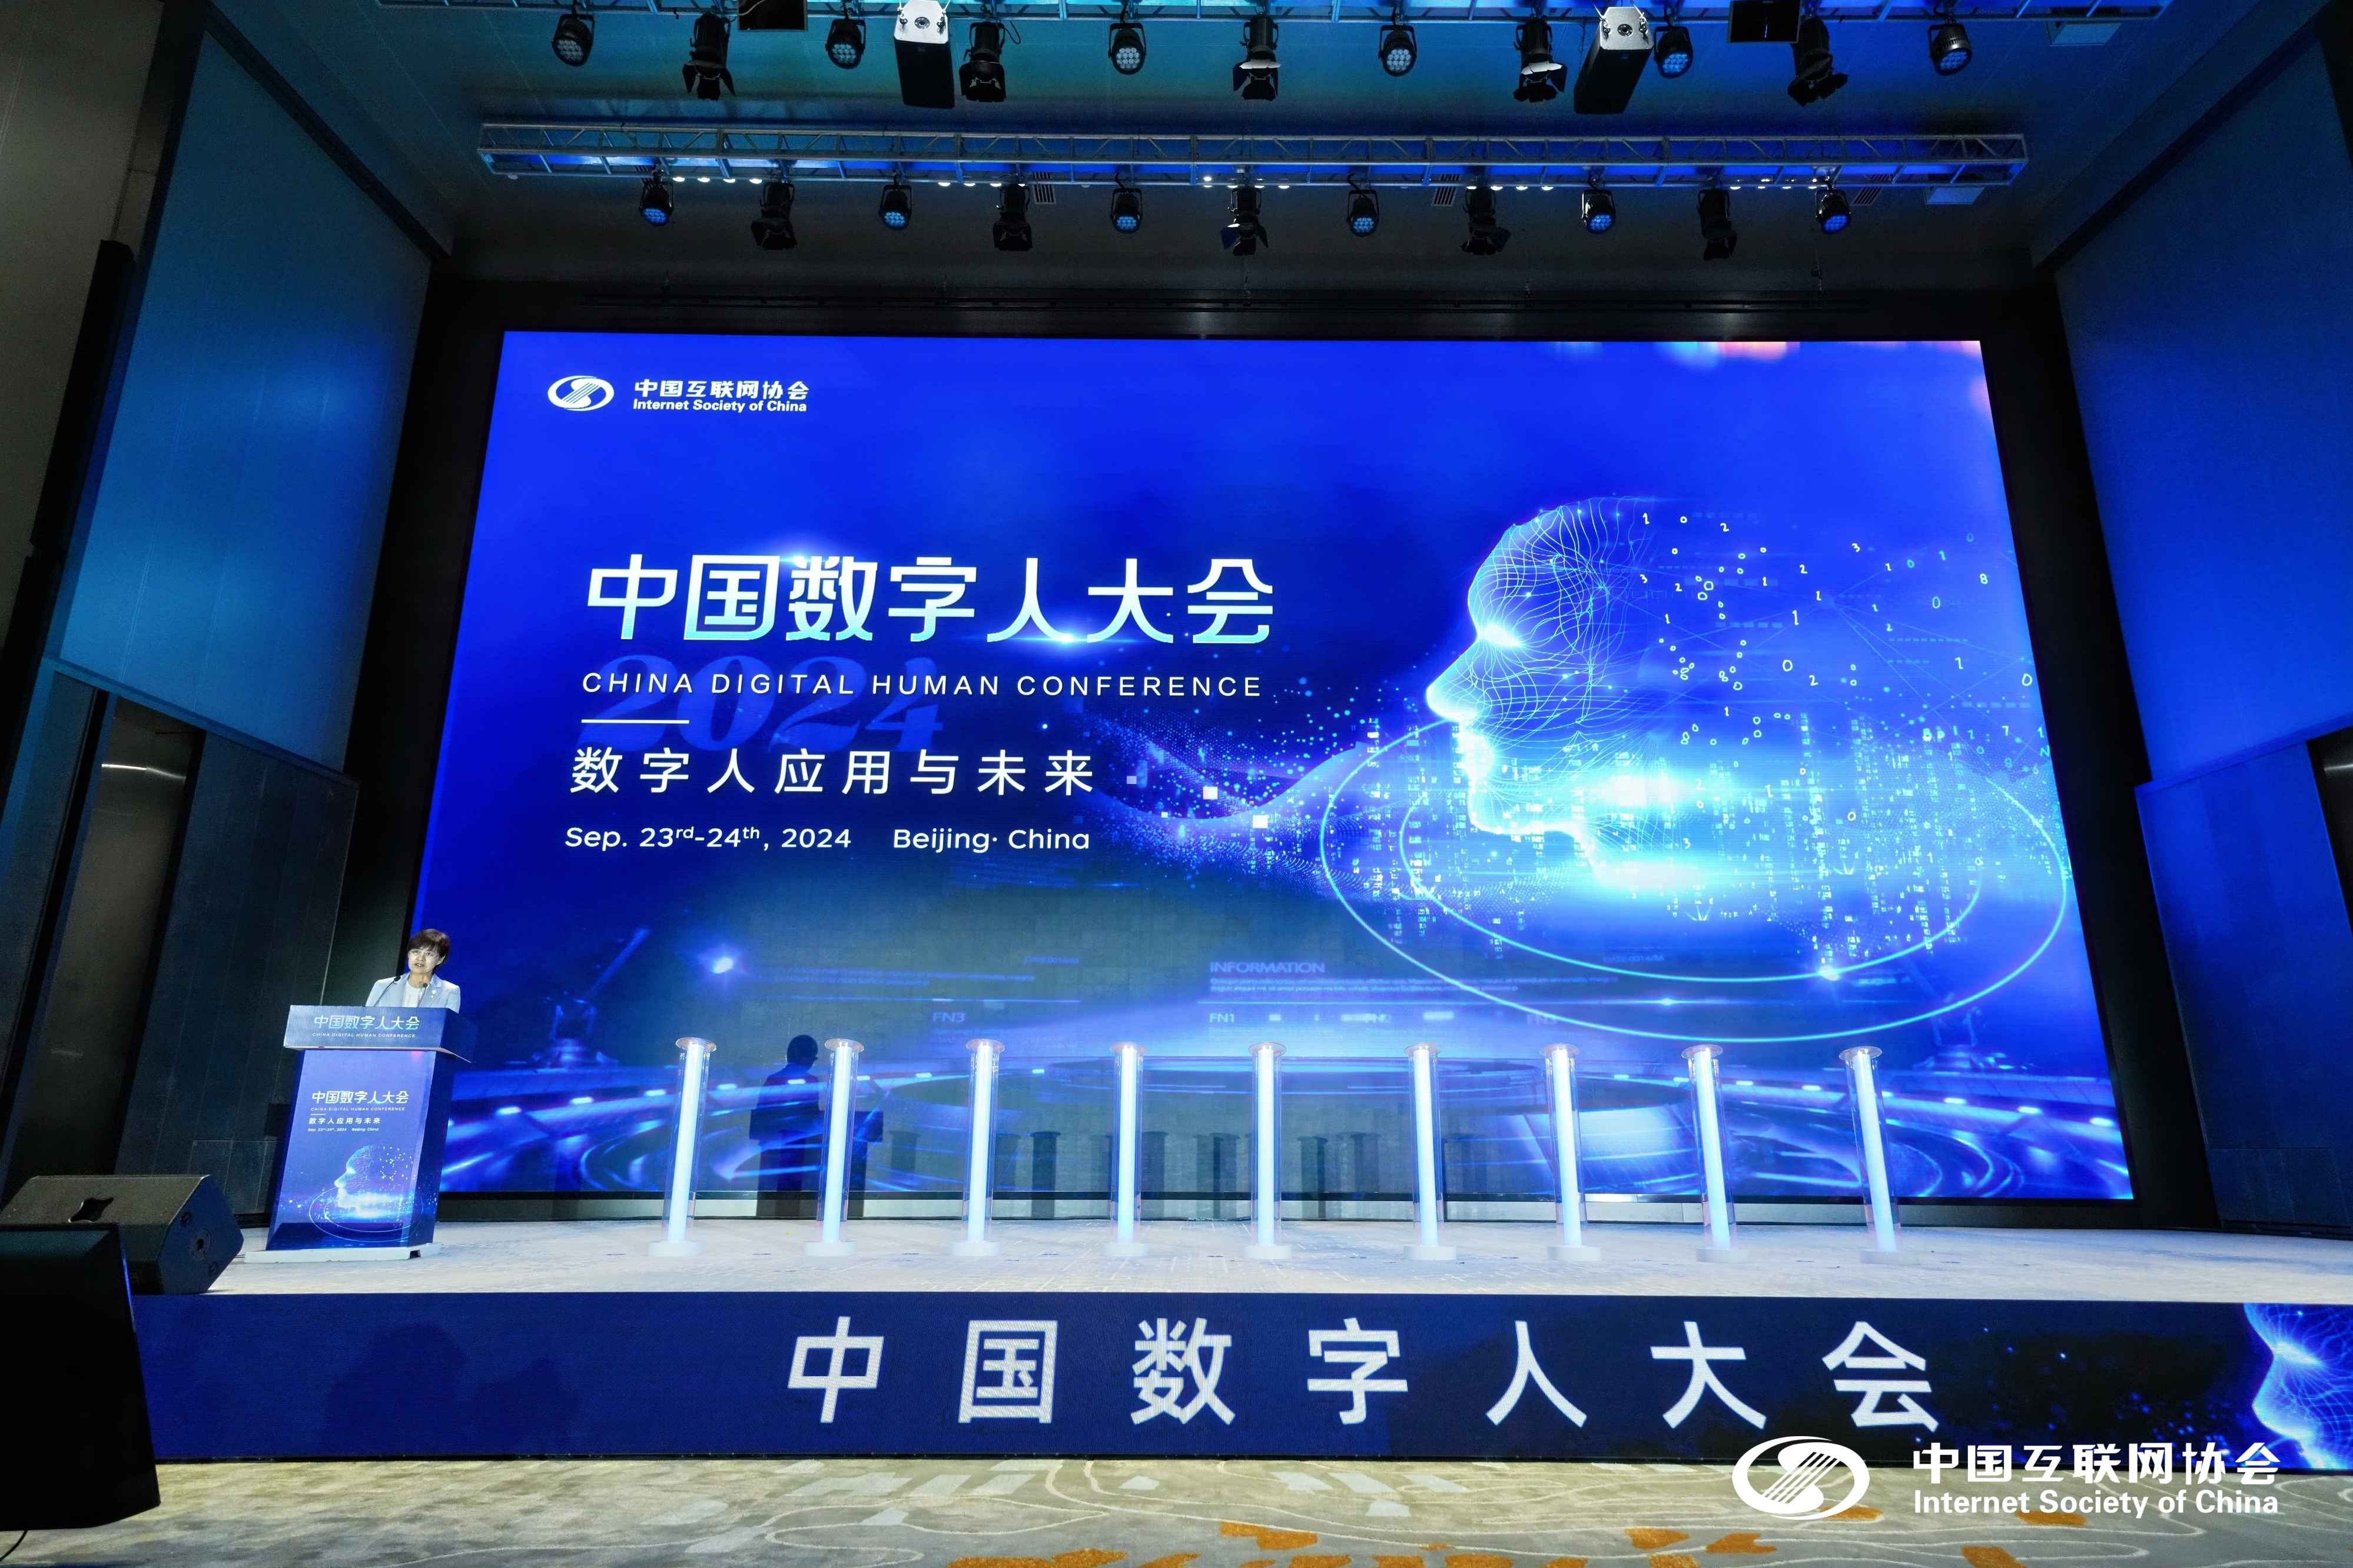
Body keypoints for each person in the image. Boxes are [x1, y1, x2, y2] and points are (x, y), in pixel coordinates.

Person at [367, 929, 461, 1011]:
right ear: (409, 954)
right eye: (416, 952)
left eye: (429, 954)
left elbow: (448, 1025)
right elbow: (366, 1020)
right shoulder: (384, 986)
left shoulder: (449, 991)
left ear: (440, 959)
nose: (421, 958)